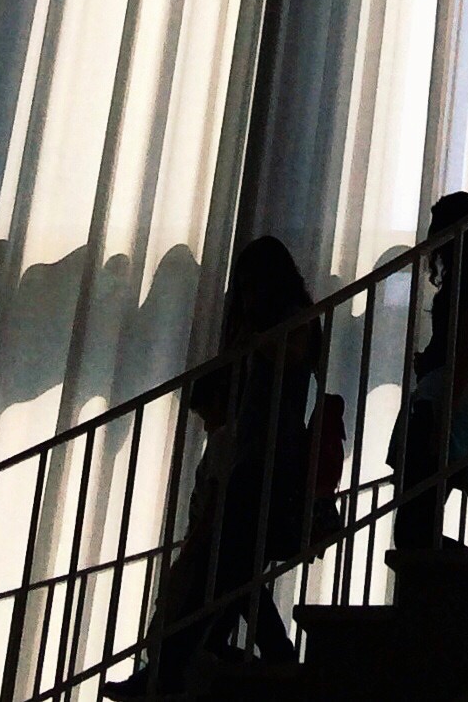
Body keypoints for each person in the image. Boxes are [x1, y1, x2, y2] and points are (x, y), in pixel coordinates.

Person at [108, 237, 322, 696]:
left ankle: (167, 670)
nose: (247, 298)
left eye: (252, 287)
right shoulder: (270, 326)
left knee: (221, 576)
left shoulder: (295, 321)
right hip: (251, 463)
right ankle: (198, 662)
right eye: (242, 290)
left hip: (268, 466)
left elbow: (291, 360)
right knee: (231, 576)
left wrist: (253, 340)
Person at [390, 193, 468, 553]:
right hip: (458, 398)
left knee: (415, 528)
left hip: (447, 401)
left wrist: (443, 420)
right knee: (418, 525)